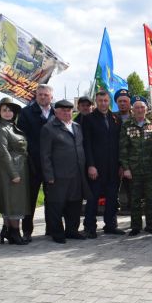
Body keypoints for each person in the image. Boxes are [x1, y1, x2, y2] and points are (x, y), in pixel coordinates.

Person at [40, 99, 89, 243]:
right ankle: (57, 233)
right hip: (58, 175)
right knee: (56, 205)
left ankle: (72, 230)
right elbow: (45, 155)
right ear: (56, 112)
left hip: (76, 174)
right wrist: (49, 175)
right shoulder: (49, 128)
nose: (67, 113)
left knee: (75, 204)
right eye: (63, 111)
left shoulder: (76, 126)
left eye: (69, 110)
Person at [82, 89, 125, 238]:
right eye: (100, 101)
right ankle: (90, 227)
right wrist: (91, 165)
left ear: (109, 102)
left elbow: (120, 143)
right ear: (96, 102)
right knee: (93, 198)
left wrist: (121, 165)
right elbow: (86, 144)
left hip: (113, 166)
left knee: (112, 197)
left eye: (106, 100)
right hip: (96, 167)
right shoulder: (88, 119)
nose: (103, 103)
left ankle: (111, 225)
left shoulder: (115, 118)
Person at [17, 84, 55, 242]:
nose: (43, 97)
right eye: (40, 95)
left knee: (52, 197)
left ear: (51, 97)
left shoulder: (56, 112)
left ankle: (51, 228)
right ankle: (27, 231)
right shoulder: (26, 113)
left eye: (46, 95)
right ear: (36, 95)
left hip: (52, 163)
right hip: (32, 162)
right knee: (30, 198)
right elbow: (21, 136)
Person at [0, 97, 31, 246]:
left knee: (15, 201)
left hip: (20, 166)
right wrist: (13, 173)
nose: (8, 113)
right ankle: (15, 232)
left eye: (10, 110)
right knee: (13, 202)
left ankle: (8, 230)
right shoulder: (0, 129)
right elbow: (4, 152)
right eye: (4, 110)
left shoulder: (12, 127)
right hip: (10, 169)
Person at [120, 96, 152, 236]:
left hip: (151, 169)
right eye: (137, 107)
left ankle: (151, 225)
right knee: (135, 199)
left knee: (151, 199)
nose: (140, 110)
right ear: (132, 109)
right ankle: (135, 226)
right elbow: (123, 149)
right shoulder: (127, 126)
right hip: (134, 169)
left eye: (142, 107)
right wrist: (126, 168)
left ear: (147, 109)